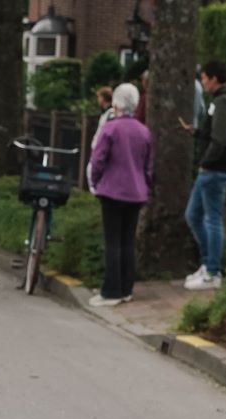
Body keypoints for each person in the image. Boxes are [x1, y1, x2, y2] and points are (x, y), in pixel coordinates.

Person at [182, 60, 226, 290]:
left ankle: (212, 271)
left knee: (211, 219)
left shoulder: (222, 102)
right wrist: (198, 132)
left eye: (204, 78)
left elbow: (220, 140)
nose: (202, 81)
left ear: (214, 79)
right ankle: (208, 263)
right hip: (218, 167)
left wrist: (206, 163)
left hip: (215, 168)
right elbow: (218, 134)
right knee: (193, 215)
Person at [88, 83, 152, 308]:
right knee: (127, 241)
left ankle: (111, 290)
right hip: (136, 193)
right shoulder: (144, 131)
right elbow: (148, 166)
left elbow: (98, 160)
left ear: (115, 104)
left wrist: (95, 182)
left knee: (112, 241)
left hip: (112, 191)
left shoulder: (110, 128)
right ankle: (126, 288)